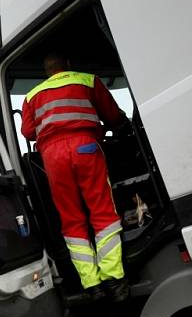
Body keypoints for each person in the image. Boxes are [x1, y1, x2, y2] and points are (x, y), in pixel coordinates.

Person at [21, 52, 128, 302]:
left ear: (47, 72)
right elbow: (113, 116)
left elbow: (27, 132)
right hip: (86, 148)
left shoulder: (32, 95)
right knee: (102, 212)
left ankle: (92, 285)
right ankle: (114, 279)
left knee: (71, 220)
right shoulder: (88, 80)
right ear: (67, 64)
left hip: (53, 158)